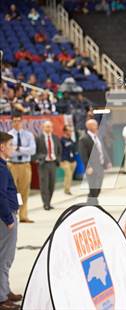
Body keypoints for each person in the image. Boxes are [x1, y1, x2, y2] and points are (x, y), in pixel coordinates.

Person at [0, 132, 22, 310]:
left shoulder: (3, 165)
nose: (12, 148)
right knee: (4, 258)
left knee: (7, 257)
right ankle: (1, 298)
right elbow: (0, 195)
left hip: (8, 215)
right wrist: (8, 218)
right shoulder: (0, 168)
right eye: (10, 145)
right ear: (2, 147)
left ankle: (5, 290)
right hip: (5, 218)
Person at [7, 113, 36, 223]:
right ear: (12, 122)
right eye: (14, 121)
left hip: (25, 165)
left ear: (22, 122)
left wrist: (18, 148)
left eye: (19, 121)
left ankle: (23, 216)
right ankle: (12, 215)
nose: (17, 123)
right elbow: (9, 153)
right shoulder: (8, 135)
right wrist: (24, 149)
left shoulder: (29, 135)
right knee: (12, 191)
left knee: (24, 191)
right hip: (12, 165)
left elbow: (32, 150)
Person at [79, 119, 112, 205]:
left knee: (98, 187)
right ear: (89, 127)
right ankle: (92, 204)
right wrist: (88, 167)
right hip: (92, 167)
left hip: (100, 166)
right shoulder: (84, 139)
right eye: (95, 125)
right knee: (93, 187)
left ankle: (92, 202)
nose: (97, 126)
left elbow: (103, 150)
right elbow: (83, 155)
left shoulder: (98, 137)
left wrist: (107, 161)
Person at [35, 121, 62, 210]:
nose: (49, 128)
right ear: (43, 127)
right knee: (44, 185)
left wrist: (58, 159)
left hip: (53, 163)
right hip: (44, 164)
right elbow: (35, 152)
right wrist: (42, 157)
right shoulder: (39, 138)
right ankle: (45, 203)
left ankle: (49, 202)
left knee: (52, 185)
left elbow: (59, 149)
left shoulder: (55, 137)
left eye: (50, 126)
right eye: (47, 127)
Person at [60, 126, 77, 195]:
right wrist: (61, 160)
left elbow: (74, 149)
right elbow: (59, 150)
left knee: (70, 176)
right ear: (65, 131)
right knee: (68, 174)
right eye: (69, 131)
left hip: (72, 160)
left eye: (71, 131)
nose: (70, 132)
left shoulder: (71, 140)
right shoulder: (62, 140)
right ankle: (67, 190)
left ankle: (68, 188)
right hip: (65, 160)